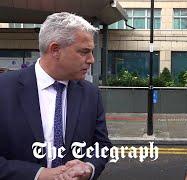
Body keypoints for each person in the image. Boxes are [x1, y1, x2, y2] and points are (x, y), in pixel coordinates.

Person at [0, 12, 112, 179]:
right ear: (55, 50)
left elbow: (102, 146)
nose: (91, 60)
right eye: (84, 52)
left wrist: (88, 167)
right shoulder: (4, 89)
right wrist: (38, 174)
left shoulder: (90, 93)